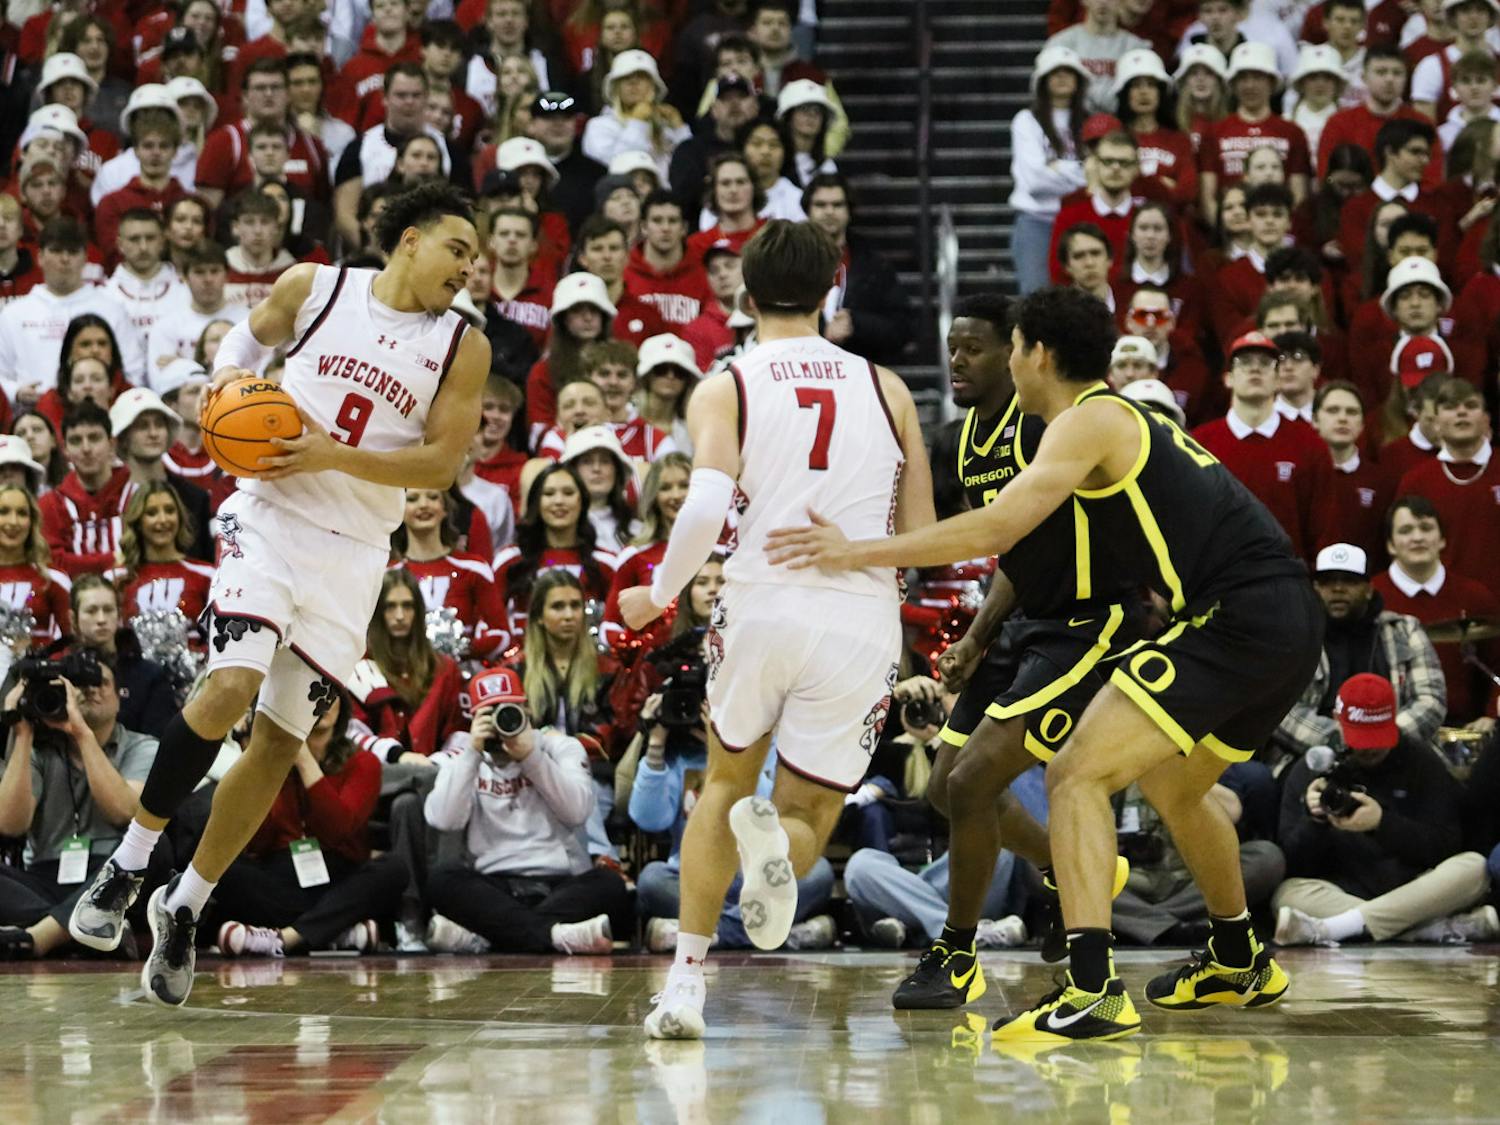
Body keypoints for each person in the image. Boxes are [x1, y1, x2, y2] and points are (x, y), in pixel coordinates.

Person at [768, 285, 1322, 1041]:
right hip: (1277, 615)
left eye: (1012, 346)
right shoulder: (1101, 419)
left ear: (1035, 353)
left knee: (1076, 773)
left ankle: (1094, 989)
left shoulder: (1088, 418)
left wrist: (853, 552)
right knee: (1173, 784)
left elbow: (998, 525)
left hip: (1237, 614)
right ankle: (1237, 954)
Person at [67, 182, 491, 1008]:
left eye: (473, 259)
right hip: (268, 517)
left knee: (276, 741)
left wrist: (332, 453)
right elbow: (234, 349)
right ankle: (127, 868)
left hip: (357, 550)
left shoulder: (460, 345)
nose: (467, 269)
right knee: (231, 683)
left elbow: (440, 464)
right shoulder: (315, 287)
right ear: (408, 240)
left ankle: (183, 904)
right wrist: (228, 396)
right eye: (457, 250)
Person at [617, 219, 933, 1038]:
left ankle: (685, 987)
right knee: (809, 817)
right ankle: (775, 851)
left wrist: (658, 592)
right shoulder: (888, 388)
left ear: (744, 296)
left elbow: (707, 502)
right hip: (862, 616)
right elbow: (924, 528)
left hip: (762, 601)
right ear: (834, 291)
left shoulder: (728, 383)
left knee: (724, 787)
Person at [1273, 673, 1498, 946]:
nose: (1369, 748)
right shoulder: (1314, 767)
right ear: (1337, 721)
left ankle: (1339, 927)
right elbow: (1293, 863)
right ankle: (1424, 930)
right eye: (1360, 738)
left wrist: (1382, 824)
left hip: (1414, 887)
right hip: (1343, 891)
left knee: (1473, 867)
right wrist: (1315, 820)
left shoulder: (1421, 761)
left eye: (1376, 736)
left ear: (1393, 719)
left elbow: (1447, 845)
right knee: (1285, 894)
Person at [422, 667, 632, 954]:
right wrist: (473, 753)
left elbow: (577, 812)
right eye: (489, 713)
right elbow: (443, 819)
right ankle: (557, 937)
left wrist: (531, 758)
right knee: (441, 880)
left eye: (508, 709)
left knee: (610, 885)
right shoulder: (464, 755)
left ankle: (489, 937)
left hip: (560, 884)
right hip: (495, 886)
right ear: (473, 718)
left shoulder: (561, 747)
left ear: (527, 709)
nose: (500, 721)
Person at [211, 693, 406, 958]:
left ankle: (287, 938)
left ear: (343, 705)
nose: (322, 702)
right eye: (312, 692)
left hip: (340, 873)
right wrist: (257, 755)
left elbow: (337, 830)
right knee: (221, 870)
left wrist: (304, 761)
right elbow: (257, 842)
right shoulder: (272, 762)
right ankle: (335, 933)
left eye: (331, 693)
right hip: (283, 876)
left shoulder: (363, 763)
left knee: (394, 868)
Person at [0, 655, 161, 960]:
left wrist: (81, 734)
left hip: (111, 875)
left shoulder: (143, 747)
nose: (91, 691)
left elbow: (124, 812)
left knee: (154, 846)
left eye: (101, 683)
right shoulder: (40, 749)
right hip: (45, 876)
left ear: (118, 698)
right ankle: (88, 932)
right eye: (80, 686)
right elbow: (10, 824)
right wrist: (21, 733)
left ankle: (40, 936)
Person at [1277, 543, 1447, 756]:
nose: (1338, 588)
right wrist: (1339, 739)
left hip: (1398, 751)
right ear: (1316, 588)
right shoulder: (1296, 636)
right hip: (1315, 753)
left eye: (1349, 580)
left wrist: (1382, 738)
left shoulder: (1405, 630)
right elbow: (1280, 709)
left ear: (1369, 590)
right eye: (1328, 581)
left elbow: (1431, 700)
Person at [1191, 331, 1336, 564]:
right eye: (1244, 362)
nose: (1255, 369)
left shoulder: (1309, 444)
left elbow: (1322, 528)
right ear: (1228, 378)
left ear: (1278, 379)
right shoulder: (1199, 443)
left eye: (1265, 363)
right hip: (1218, 580)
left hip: (1287, 579)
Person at [1372, 494, 1500, 725]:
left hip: (1465, 728)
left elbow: (1497, 663)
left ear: (1441, 539)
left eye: (1426, 528)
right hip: (1391, 731)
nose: (1418, 537)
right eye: (1406, 530)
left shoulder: (1474, 596)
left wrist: (1491, 716)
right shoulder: (1372, 598)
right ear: (1390, 544)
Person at [0, 219, 142, 403]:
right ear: (40, 257)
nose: (65, 259)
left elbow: (133, 371)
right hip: (32, 417)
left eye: (73, 252)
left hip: (98, 415)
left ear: (85, 258)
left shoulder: (111, 309)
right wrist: (16, 391)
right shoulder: (15, 314)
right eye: (57, 251)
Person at [1394, 379, 1500, 599]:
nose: (1461, 412)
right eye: (1451, 407)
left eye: (1470, 406)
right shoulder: (1416, 481)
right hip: (1443, 610)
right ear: (1436, 424)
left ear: (1486, 419)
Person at [493, 462, 619, 632]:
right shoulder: (510, 559)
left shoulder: (606, 563)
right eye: (549, 493)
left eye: (568, 493)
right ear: (536, 502)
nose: (559, 501)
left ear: (582, 501)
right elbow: (490, 628)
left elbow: (617, 627)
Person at [803, 173, 912, 367]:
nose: (829, 211)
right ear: (808, 210)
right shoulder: (789, 262)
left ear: (849, 210)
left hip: (860, 371)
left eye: (837, 205)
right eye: (820, 205)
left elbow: (902, 328)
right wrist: (821, 330)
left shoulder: (875, 265)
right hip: (802, 369)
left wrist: (856, 324)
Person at [390, 487, 510, 661]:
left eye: (432, 497)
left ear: (445, 507)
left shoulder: (473, 568)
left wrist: (458, 647)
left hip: (461, 677)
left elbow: (502, 634)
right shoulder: (387, 573)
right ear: (399, 509)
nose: (424, 505)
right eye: (413, 499)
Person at [70, 575, 178, 739]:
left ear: (119, 615)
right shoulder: (62, 672)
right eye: (91, 611)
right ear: (73, 618)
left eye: (108, 610)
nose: (101, 619)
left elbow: (159, 740)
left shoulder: (149, 675)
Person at [38, 404, 131, 579]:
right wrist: (113, 559)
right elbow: (52, 561)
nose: (86, 448)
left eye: (94, 438)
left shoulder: (136, 495)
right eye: (75, 441)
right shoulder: (49, 504)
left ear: (111, 444)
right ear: (65, 449)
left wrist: (76, 563)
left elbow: (145, 555)